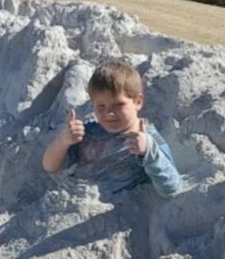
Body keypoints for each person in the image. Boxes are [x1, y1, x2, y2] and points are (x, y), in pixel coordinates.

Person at [42, 61, 182, 198]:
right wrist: (63, 141)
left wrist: (149, 152)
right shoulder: (89, 133)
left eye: (118, 104)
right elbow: (51, 166)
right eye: (100, 106)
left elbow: (172, 188)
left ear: (138, 102)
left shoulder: (148, 140)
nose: (109, 113)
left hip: (116, 213)